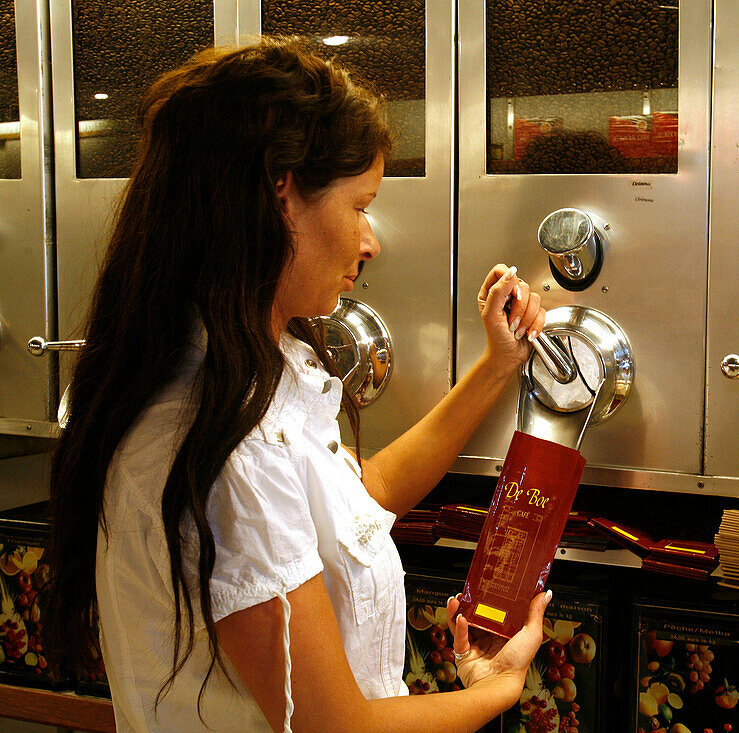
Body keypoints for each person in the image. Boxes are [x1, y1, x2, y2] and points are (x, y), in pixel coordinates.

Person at [45, 38, 550, 732]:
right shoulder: (225, 440)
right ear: (282, 193)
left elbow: (356, 498)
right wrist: (496, 688)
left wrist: (495, 365)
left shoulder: (249, 367)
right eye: (360, 205)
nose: (370, 242)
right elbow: (337, 725)